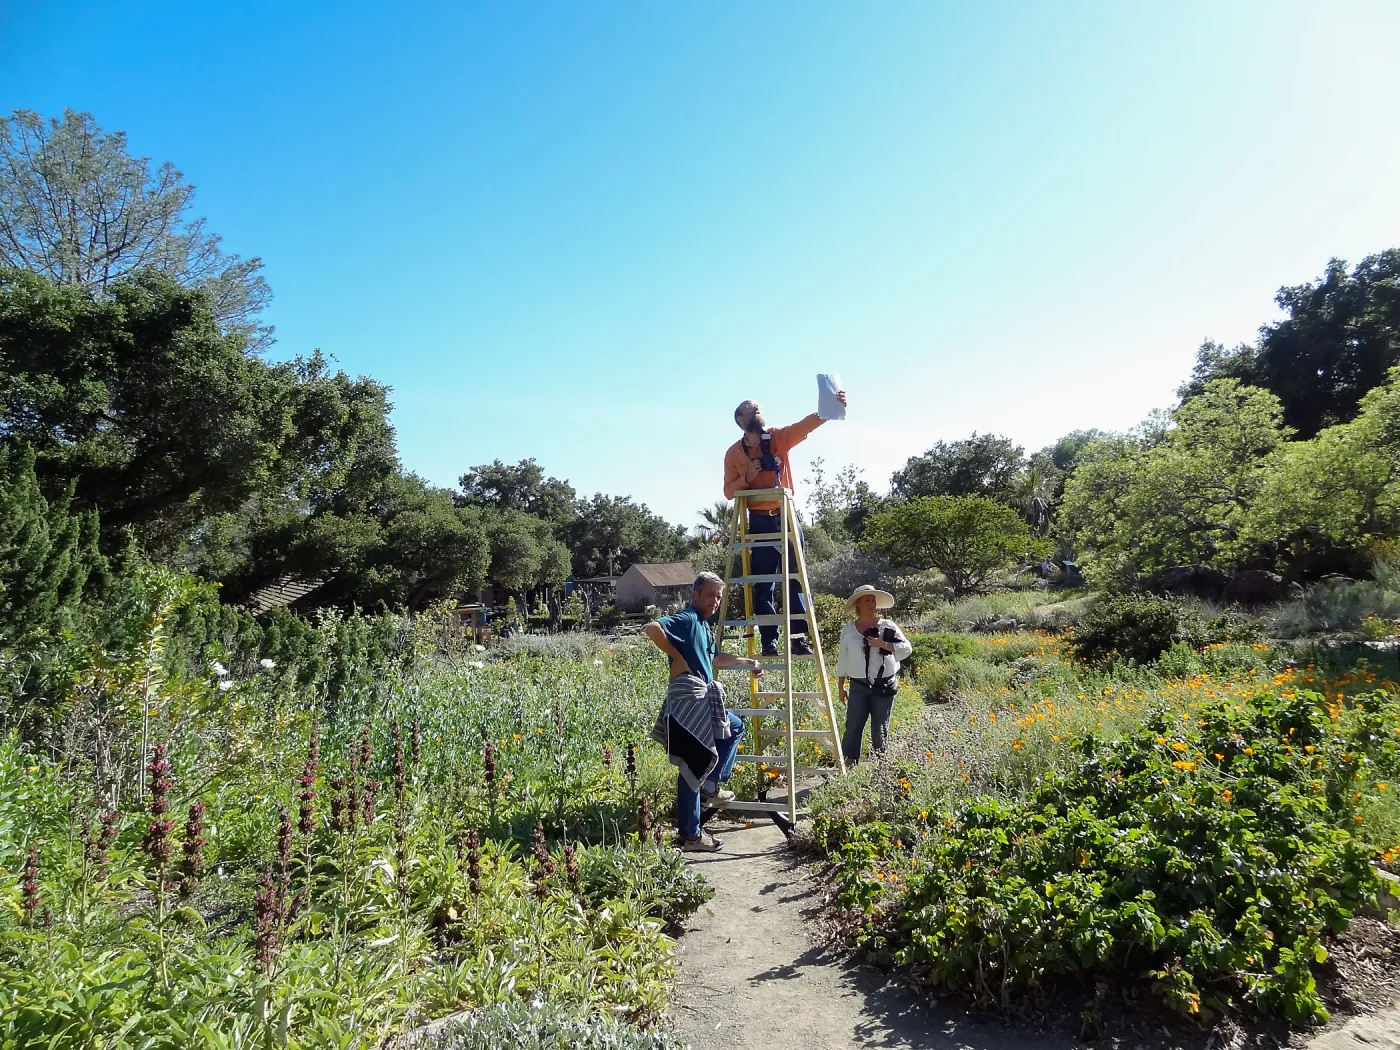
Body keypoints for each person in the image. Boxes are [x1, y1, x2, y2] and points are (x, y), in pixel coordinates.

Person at [644, 572, 764, 852]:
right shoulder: (687, 619)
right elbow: (652, 628)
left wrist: (747, 661)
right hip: (688, 699)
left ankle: (703, 804)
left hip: (700, 697)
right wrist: (677, 657)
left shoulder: (704, 626)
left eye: (719, 596)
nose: (715, 601)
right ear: (695, 595)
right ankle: (694, 829)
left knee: (723, 735)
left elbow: (713, 658)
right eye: (710, 595)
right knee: (694, 764)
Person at [723, 391, 846, 656]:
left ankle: (798, 639)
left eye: (758, 406)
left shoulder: (778, 437)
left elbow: (805, 426)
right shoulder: (734, 453)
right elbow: (728, 492)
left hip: (786, 515)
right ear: (740, 419)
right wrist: (748, 476)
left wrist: (830, 406)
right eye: (749, 407)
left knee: (796, 579)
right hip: (758, 521)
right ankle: (769, 642)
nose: (756, 407)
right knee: (762, 582)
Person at [835, 585, 913, 764]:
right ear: (858, 605)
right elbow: (843, 660)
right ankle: (848, 766)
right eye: (866, 600)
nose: (871, 604)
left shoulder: (888, 626)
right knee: (853, 727)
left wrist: (883, 644)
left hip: (884, 685)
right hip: (858, 686)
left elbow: (907, 648)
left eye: (873, 600)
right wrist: (841, 687)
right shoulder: (848, 630)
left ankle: (881, 768)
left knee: (880, 729)